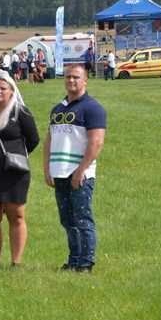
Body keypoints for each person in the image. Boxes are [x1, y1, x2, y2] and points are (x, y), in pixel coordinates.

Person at [43, 65, 106, 273]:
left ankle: (86, 263)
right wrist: (47, 168)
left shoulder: (92, 108)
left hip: (80, 174)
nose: (71, 81)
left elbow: (96, 143)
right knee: (67, 220)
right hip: (59, 172)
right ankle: (73, 260)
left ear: (85, 80)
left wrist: (81, 171)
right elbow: (49, 139)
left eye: (76, 77)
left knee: (82, 219)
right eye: (68, 77)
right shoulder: (58, 109)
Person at [0, 71, 39, 267]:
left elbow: (34, 139)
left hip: (15, 174)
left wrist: (15, 155)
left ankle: (16, 262)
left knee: (16, 216)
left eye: (3, 88)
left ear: (12, 91)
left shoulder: (21, 112)